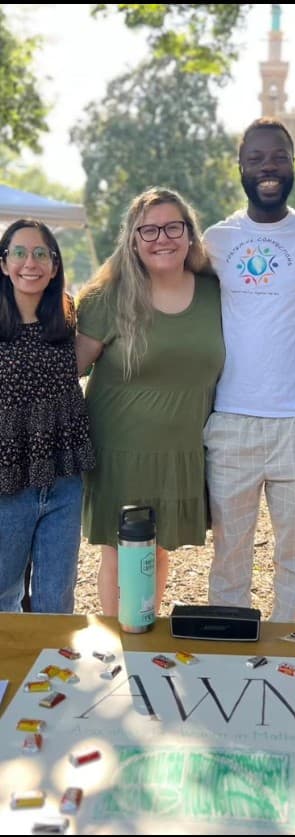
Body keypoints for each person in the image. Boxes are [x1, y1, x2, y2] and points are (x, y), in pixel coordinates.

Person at [202, 117, 295, 621]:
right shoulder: (215, 241)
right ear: (240, 166)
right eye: (256, 158)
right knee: (230, 554)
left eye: (278, 156)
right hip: (231, 421)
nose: (268, 167)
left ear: (292, 164)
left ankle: (284, 641)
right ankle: (230, 643)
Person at [75, 187, 225, 616]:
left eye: (173, 227)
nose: (162, 238)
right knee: (119, 553)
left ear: (190, 235)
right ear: (134, 240)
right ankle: (116, 641)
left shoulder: (217, 294)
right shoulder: (107, 298)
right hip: (119, 449)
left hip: (182, 449)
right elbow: (69, 371)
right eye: (150, 230)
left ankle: (143, 630)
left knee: (157, 552)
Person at [0, 218, 95, 613]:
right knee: (3, 597)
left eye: (42, 253)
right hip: (7, 485)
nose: (30, 263)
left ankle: (51, 674)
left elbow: (104, 336)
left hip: (63, 482)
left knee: (55, 601)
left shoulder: (68, 319)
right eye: (19, 253)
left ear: (55, 266)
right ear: (3, 263)